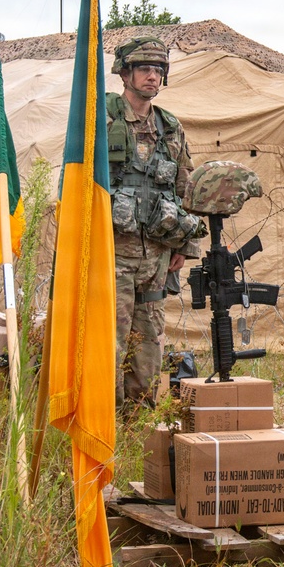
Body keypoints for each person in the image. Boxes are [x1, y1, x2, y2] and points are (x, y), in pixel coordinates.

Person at [108, 36, 203, 408]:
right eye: (145, 69)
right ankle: (106, 419)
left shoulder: (170, 128)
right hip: (112, 253)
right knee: (110, 340)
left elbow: (185, 188)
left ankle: (138, 421)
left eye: (158, 70)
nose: (152, 77)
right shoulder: (102, 120)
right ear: (125, 74)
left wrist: (184, 245)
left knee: (149, 341)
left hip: (157, 256)